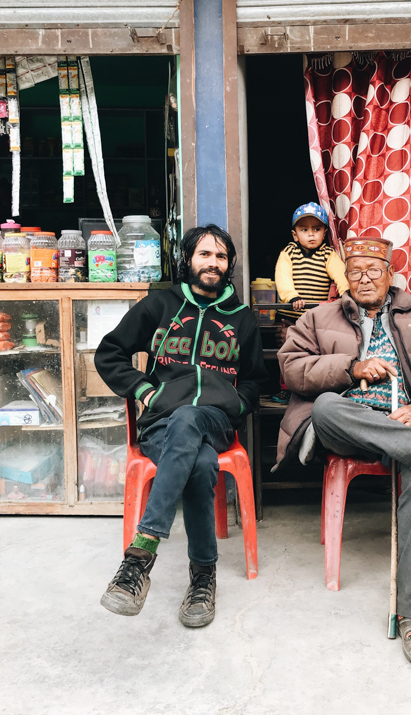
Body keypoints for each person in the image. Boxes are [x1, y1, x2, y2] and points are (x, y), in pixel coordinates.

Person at [275, 236, 411, 666]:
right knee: (325, 407)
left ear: (390, 275)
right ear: (344, 277)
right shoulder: (319, 317)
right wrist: (349, 368)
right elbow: (291, 367)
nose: (364, 279)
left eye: (373, 270)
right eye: (355, 271)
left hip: (410, 422)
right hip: (348, 423)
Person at [95, 224, 267, 627]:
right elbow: (110, 353)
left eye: (221, 256)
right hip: (161, 423)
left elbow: (258, 380)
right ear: (188, 259)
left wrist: (236, 402)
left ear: (230, 265)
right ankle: (203, 578)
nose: (212, 262)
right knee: (203, 464)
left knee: (192, 418)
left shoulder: (241, 319)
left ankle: (140, 555)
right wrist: (146, 393)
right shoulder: (160, 306)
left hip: (215, 419)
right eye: (204, 254)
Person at [272, 202, 348, 402]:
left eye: (316, 229)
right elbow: (282, 276)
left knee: (315, 352)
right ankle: (286, 387)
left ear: (324, 232)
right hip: (291, 317)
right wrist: (291, 296)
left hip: (316, 319)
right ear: (295, 235)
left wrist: (346, 291)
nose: (311, 234)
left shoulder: (328, 254)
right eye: (304, 230)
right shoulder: (289, 253)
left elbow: (340, 274)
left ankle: (315, 387)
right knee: (288, 351)